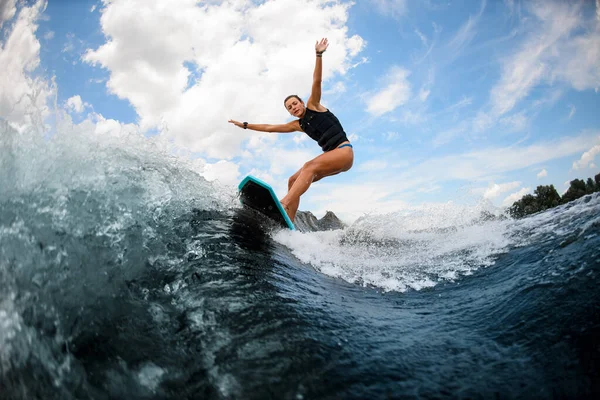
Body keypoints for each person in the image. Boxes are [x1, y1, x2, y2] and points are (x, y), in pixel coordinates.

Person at [228, 38, 353, 222]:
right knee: (292, 181)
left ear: (301, 102)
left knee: (308, 167)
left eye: (295, 103)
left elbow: (316, 80)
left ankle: (284, 203)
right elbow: (270, 128)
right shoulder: (298, 125)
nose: (293, 107)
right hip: (333, 160)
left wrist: (318, 55)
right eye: (289, 107)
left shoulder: (314, 105)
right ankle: (289, 222)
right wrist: (245, 125)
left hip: (344, 152)